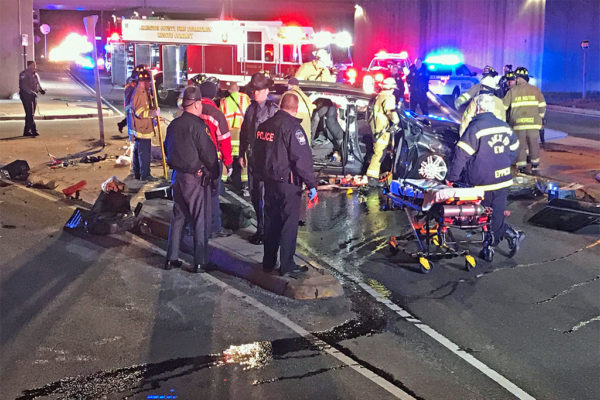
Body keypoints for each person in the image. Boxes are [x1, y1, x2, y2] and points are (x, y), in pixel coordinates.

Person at [445, 94, 525, 262]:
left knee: (481, 214)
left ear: (477, 108)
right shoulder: (503, 126)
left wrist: (451, 177)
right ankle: (503, 238)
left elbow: (461, 154)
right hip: (503, 179)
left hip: (482, 181)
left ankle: (495, 242)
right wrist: (503, 162)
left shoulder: (476, 128)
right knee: (495, 214)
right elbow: (515, 148)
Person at [252, 92, 317, 278]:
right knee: (288, 224)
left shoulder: (264, 126)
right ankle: (287, 264)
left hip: (269, 183)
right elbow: (301, 159)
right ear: (295, 109)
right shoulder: (293, 128)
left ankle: (268, 262)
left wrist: (258, 176)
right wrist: (311, 184)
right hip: (288, 185)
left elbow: (256, 154)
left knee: (271, 223)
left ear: (281, 106)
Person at [163, 86, 220, 273]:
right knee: (199, 219)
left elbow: (166, 148)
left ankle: (171, 258)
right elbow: (209, 154)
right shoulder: (197, 126)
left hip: (176, 177)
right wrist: (214, 172)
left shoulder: (173, 125)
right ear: (196, 104)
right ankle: (200, 262)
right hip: (194, 179)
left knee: (178, 217)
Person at [239, 73, 279, 245]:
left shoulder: (273, 110)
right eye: (253, 90)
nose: (255, 93)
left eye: (258, 90)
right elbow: (244, 133)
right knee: (255, 194)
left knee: (266, 196)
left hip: (267, 160)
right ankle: (261, 228)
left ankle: (267, 230)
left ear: (266, 90)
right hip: (253, 158)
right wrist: (241, 153)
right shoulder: (251, 108)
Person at [197, 79, 234, 238]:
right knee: (213, 195)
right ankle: (214, 228)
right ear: (214, 95)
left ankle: (195, 227)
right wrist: (228, 163)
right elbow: (225, 141)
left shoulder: (192, 110)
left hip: (193, 161)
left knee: (195, 196)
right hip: (212, 162)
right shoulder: (216, 114)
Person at [502, 67, 546, 173]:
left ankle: (521, 166)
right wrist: (539, 117)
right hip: (534, 124)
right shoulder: (535, 90)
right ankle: (535, 164)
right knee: (533, 144)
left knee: (520, 145)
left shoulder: (512, 90)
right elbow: (542, 106)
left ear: (517, 79)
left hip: (518, 124)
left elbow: (503, 106)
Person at [366, 77, 399, 187]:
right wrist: (396, 121)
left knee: (379, 152)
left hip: (376, 129)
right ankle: (372, 179)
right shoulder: (389, 98)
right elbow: (390, 112)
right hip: (382, 130)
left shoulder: (379, 96)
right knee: (379, 153)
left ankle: (374, 176)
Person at [220, 82, 251, 190]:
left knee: (226, 155)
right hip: (242, 132)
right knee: (244, 157)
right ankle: (245, 184)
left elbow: (221, 118)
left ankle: (222, 181)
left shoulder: (224, 102)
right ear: (238, 88)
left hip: (229, 133)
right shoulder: (245, 98)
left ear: (229, 91)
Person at [131, 69, 160, 181]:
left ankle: (138, 173)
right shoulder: (140, 93)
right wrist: (153, 113)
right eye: (149, 82)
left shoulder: (143, 92)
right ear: (144, 81)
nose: (150, 84)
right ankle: (145, 175)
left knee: (138, 151)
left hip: (141, 128)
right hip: (143, 129)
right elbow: (139, 112)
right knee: (145, 154)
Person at [282, 78, 314, 145]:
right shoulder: (306, 98)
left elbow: (280, 115)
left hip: (293, 138)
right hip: (305, 138)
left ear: (290, 85)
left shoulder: (288, 95)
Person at [19, 61, 45, 137]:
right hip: (26, 96)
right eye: (33, 65)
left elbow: (37, 84)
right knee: (30, 113)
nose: (35, 66)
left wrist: (41, 90)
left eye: (35, 65)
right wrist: (31, 92)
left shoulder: (35, 74)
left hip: (33, 96)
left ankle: (26, 131)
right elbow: (23, 86)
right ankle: (34, 130)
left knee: (30, 114)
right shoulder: (23, 74)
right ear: (29, 66)